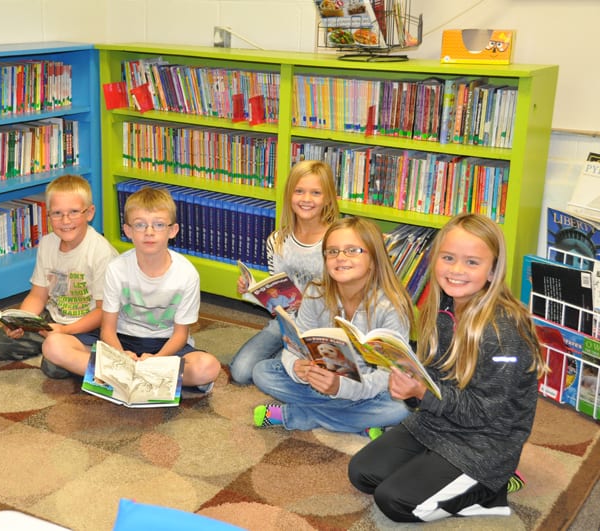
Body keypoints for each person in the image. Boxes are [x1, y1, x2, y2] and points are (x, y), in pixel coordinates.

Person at [348, 213, 547, 522]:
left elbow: (485, 413)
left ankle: (491, 493)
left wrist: (422, 393)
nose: (456, 270)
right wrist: (410, 376)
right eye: (448, 258)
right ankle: (438, 475)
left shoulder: (504, 333)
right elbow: (434, 376)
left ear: (493, 270)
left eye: (472, 262)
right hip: (434, 424)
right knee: (362, 473)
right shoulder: (443, 305)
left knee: (394, 502)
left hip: (483, 444)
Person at [251, 216, 416, 434]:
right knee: (262, 372)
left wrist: (341, 388)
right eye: (332, 251)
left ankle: (297, 415)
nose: (341, 257)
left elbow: (389, 375)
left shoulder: (391, 307)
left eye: (352, 250)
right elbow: (296, 344)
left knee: (401, 407)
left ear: (374, 258)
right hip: (321, 379)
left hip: (368, 387)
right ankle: (360, 422)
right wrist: (297, 367)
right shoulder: (315, 292)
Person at [47, 185, 221, 391]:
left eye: (158, 225)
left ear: (172, 231)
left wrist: (157, 359)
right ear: (128, 231)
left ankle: (118, 374)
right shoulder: (116, 268)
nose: (149, 232)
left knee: (208, 367)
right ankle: (146, 377)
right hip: (120, 339)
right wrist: (120, 356)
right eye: (140, 225)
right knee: (53, 345)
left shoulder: (187, 274)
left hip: (165, 344)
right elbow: (107, 329)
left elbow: (180, 335)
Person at [0, 174, 118, 376]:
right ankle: (56, 346)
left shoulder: (101, 252)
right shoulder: (47, 244)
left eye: (74, 212)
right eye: (57, 213)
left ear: (90, 213)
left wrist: (66, 331)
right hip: (53, 320)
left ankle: (71, 350)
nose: (65, 220)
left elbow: (103, 313)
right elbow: (38, 296)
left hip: (90, 326)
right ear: (48, 216)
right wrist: (19, 322)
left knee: (53, 367)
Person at [229, 160, 339, 384]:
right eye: (299, 191)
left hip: (323, 326)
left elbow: (346, 294)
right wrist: (251, 291)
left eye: (316, 193)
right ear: (289, 195)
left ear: (328, 198)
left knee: (316, 373)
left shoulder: (336, 240)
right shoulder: (277, 241)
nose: (306, 199)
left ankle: (289, 360)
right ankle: (288, 358)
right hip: (286, 323)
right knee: (240, 373)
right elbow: (276, 293)